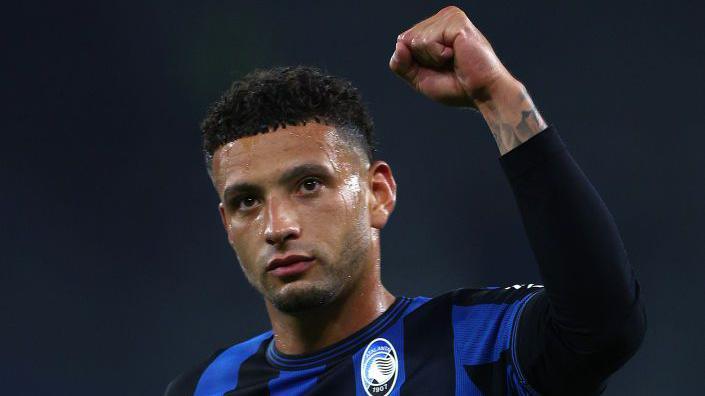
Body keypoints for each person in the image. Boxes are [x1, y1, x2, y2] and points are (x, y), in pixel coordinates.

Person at [165, 6, 646, 396]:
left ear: (378, 193)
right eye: (248, 201)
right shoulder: (203, 388)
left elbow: (603, 327)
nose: (278, 225)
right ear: (227, 224)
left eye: (309, 185)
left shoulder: (476, 348)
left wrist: (499, 97)